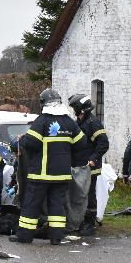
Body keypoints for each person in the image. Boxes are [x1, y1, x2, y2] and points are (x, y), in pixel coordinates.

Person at [10, 88, 85, 245]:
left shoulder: (42, 121)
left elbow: (31, 143)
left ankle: (24, 236)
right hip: (62, 174)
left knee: (31, 204)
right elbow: (82, 143)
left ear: (43, 103)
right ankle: (56, 237)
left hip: (41, 174)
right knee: (57, 205)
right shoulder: (69, 122)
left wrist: (21, 140)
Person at [68, 93, 109, 236]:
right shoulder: (80, 122)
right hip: (80, 166)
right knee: (80, 195)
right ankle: (80, 221)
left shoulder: (93, 123)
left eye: (75, 108)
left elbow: (103, 143)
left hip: (90, 167)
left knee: (89, 195)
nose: (74, 111)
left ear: (81, 109)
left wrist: (93, 159)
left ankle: (90, 224)